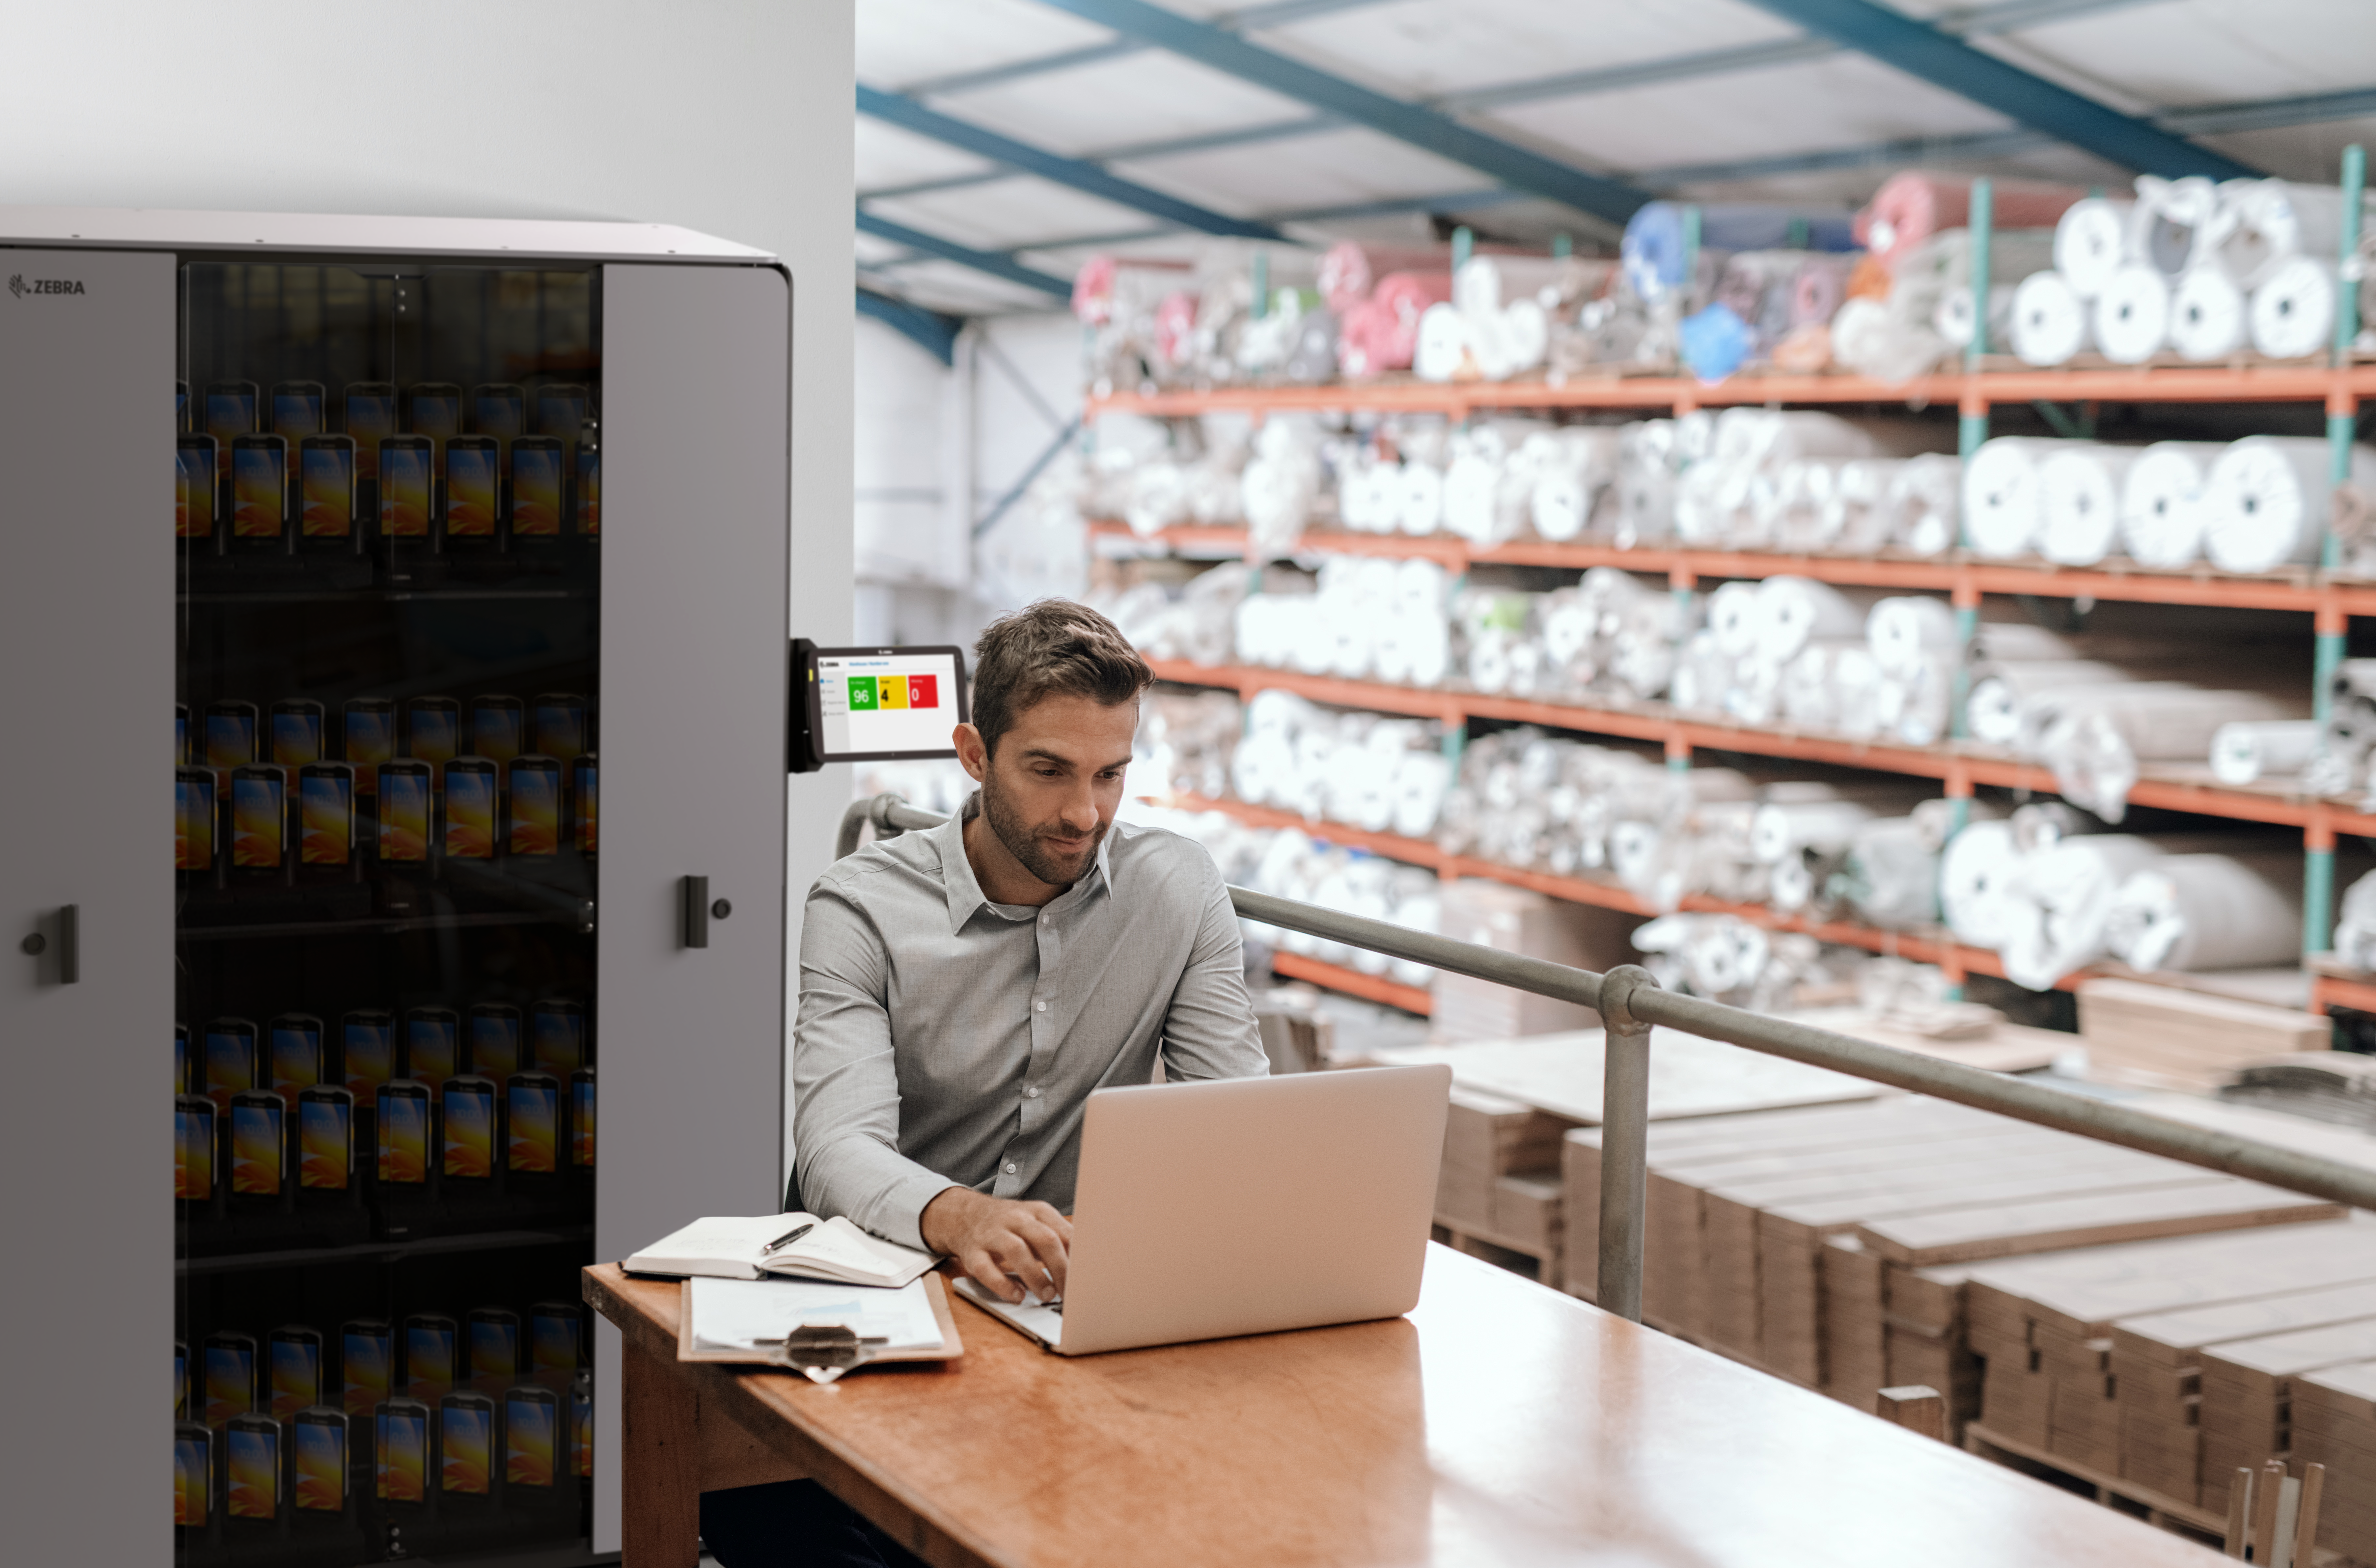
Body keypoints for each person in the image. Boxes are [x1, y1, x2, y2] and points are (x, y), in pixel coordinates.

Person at [699, 599, 1269, 1568]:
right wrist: (957, 1217)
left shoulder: (1177, 888)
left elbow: (1240, 1126)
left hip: (1064, 1308)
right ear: (973, 752)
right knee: (785, 1521)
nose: (1083, 813)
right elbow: (834, 1150)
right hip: (888, 1292)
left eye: (1110, 775)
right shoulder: (861, 905)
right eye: (1047, 770)